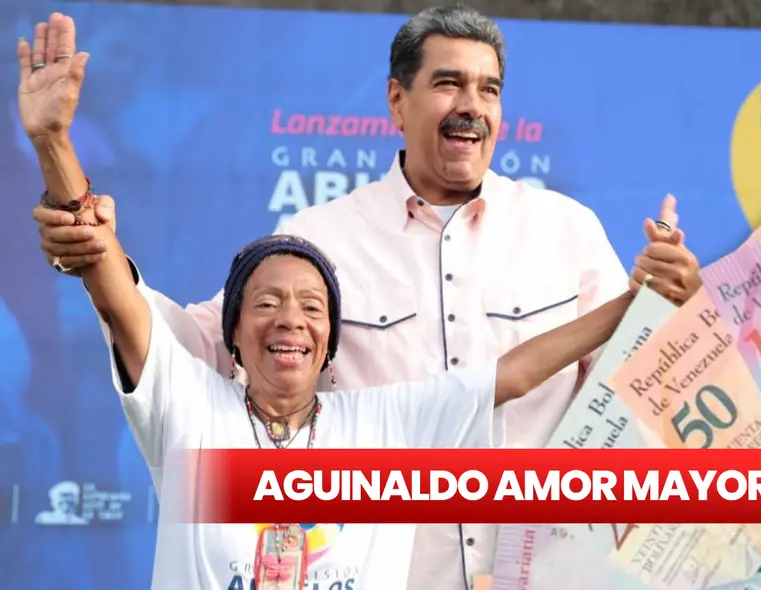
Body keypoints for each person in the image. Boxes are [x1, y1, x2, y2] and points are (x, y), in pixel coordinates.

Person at [26, 7, 703, 589]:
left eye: (489, 89)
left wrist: (673, 305)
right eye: (448, 83)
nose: (472, 105)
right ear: (396, 101)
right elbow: (182, 343)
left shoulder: (569, 231)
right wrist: (83, 236)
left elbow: (638, 398)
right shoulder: (315, 241)